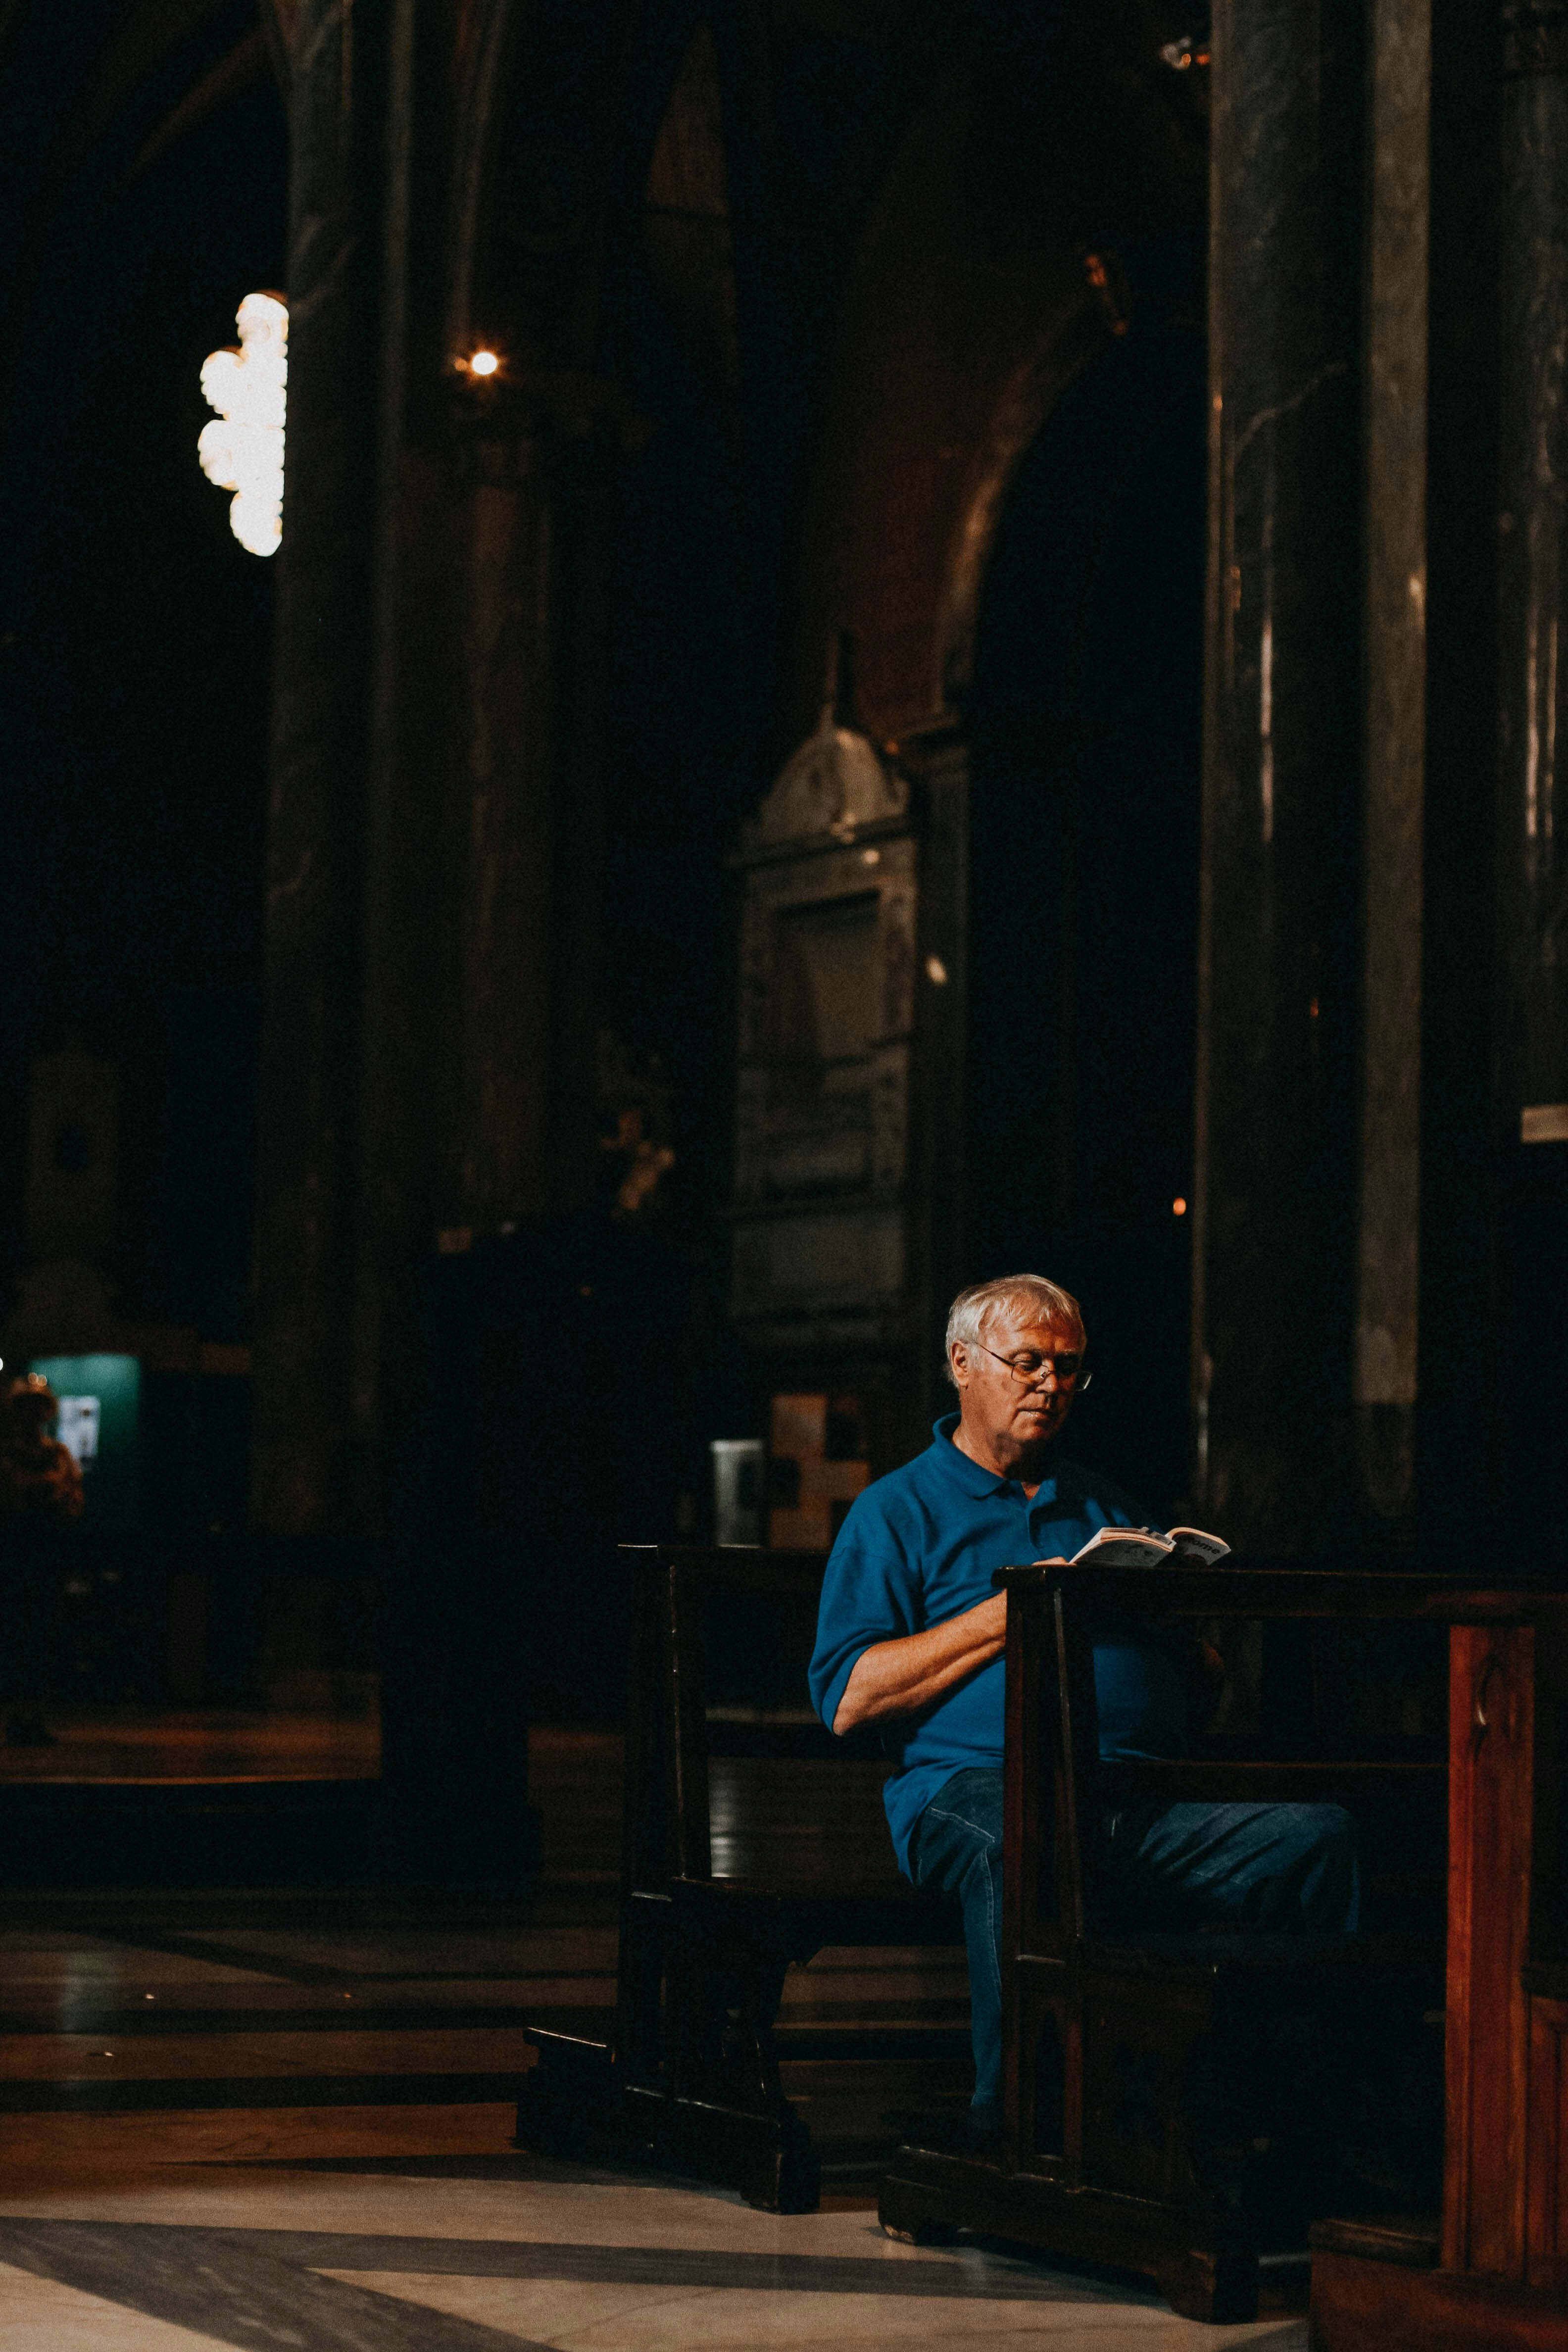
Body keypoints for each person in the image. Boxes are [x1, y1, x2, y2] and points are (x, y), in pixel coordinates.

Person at [808, 1273, 1359, 2139]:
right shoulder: (896, 1511)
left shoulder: (1104, 1507)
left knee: (1315, 1838)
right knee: (1024, 1838)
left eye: (1068, 1369)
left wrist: (1179, 1631)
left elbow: (1198, 1691)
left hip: (1132, 1796)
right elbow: (848, 1697)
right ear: (961, 1362)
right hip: (971, 1789)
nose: (1050, 1385)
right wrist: (1013, 1610)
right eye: (1027, 1362)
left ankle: (1295, 2118)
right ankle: (1021, 2120)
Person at [0, 1373, 85, 1744]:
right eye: (25, 1408)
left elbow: (73, 1499)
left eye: (37, 1408)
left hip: (46, 1557)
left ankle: (31, 1715)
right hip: (9, 1555)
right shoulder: (5, 1455)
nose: (31, 1415)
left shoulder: (58, 1455)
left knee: (40, 1636)